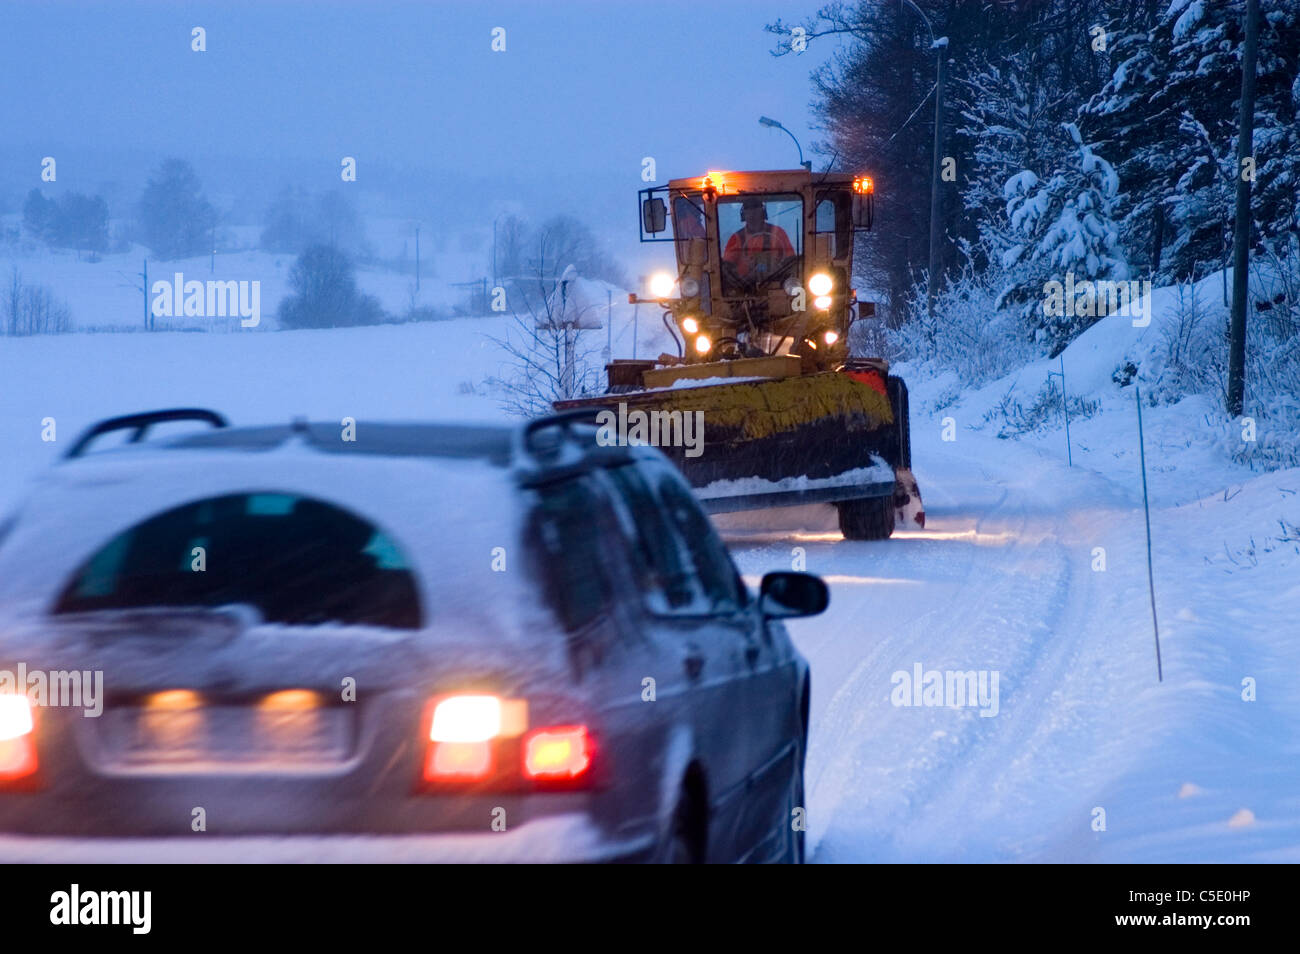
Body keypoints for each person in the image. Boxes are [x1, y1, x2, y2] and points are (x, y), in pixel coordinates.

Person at [722, 197, 795, 282]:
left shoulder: (778, 233)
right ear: (744, 215)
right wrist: (740, 281)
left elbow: (790, 260)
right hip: (744, 288)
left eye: (756, 210)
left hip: (776, 284)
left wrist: (779, 269)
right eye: (749, 210)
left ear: (762, 213)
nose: (753, 214)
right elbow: (727, 267)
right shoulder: (736, 238)